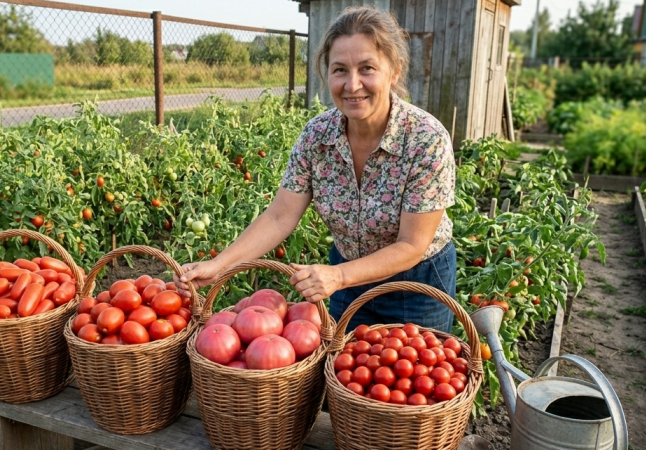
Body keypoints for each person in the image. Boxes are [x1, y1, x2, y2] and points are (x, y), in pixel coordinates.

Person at [175, 6, 456, 333]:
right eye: (340, 70)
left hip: (414, 284)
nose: (353, 85)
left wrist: (338, 276)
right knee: (345, 371)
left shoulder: (425, 139)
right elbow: (279, 217)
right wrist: (219, 265)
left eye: (367, 68)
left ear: (394, 71)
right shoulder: (317, 136)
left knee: (414, 378)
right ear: (327, 74)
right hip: (344, 280)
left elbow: (411, 245)